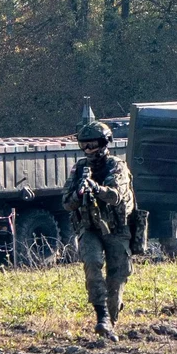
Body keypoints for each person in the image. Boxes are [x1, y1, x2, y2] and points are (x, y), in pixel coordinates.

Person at [63, 121, 135, 341]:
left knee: (117, 275)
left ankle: (110, 323)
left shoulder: (117, 166)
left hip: (116, 228)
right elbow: (66, 202)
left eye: (93, 145)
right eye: (84, 146)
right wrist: (80, 192)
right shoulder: (79, 168)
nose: (89, 150)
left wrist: (97, 188)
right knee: (92, 264)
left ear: (105, 143)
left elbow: (116, 196)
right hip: (90, 227)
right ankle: (101, 316)